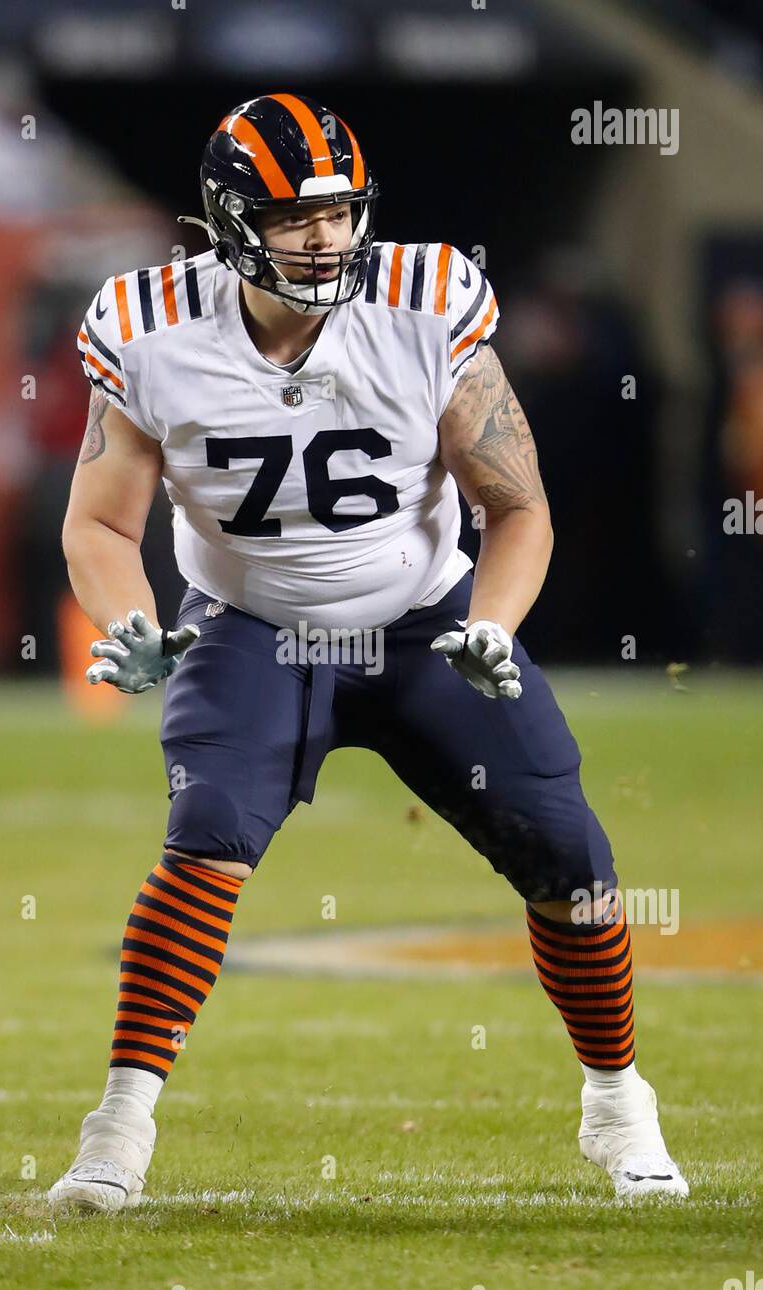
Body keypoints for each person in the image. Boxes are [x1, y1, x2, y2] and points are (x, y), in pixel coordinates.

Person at [49, 93, 688, 1212]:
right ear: (228, 218)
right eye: (295, 217)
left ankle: (617, 1104)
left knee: (572, 868)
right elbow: (100, 523)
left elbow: (517, 507)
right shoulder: (147, 325)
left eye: (341, 214)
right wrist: (129, 622)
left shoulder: (422, 301)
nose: (325, 239)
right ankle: (116, 1131)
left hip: (421, 625)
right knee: (202, 848)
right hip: (251, 631)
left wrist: (491, 621)